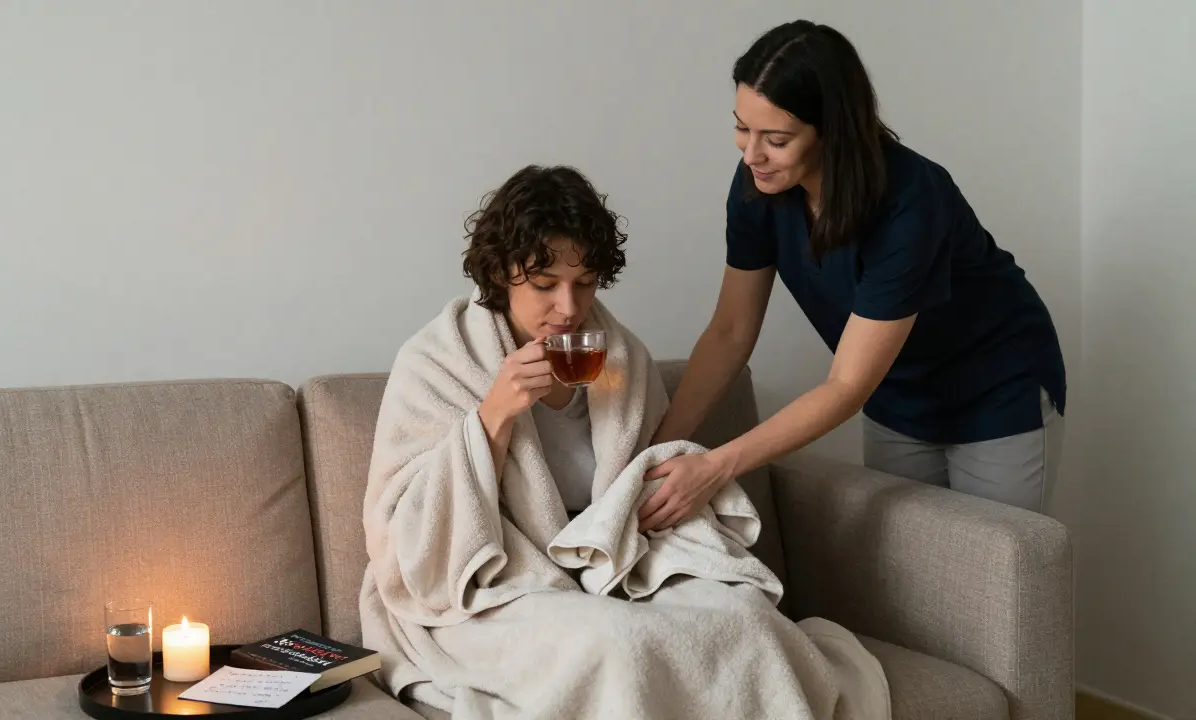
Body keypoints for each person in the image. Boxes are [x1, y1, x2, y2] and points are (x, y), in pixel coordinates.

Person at [359, 165, 890, 719]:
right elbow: (406, 536)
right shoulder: (437, 363)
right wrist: (493, 415)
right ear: (499, 272)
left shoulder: (620, 358)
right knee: (618, 644)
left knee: (746, 620)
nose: (568, 307)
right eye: (544, 285)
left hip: (613, 560)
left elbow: (642, 476)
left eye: (584, 282)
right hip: (495, 584)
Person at [639, 20, 1067, 531]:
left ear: (832, 132)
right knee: (908, 574)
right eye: (741, 127)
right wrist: (655, 453)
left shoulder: (912, 200)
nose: (751, 154)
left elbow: (845, 384)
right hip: (894, 397)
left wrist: (713, 466)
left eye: (775, 138)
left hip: (995, 392)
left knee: (996, 574)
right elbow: (730, 331)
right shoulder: (760, 185)